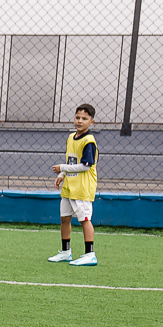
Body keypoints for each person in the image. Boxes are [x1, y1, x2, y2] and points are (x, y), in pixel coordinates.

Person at [49, 104, 99, 266]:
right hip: (69, 187)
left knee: (84, 219)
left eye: (84, 118)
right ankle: (66, 252)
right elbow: (72, 161)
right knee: (65, 218)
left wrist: (62, 168)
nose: (80, 121)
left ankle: (90, 254)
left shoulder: (88, 141)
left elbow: (85, 166)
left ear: (91, 122)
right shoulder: (71, 137)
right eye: (77, 117)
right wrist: (62, 175)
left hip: (82, 188)